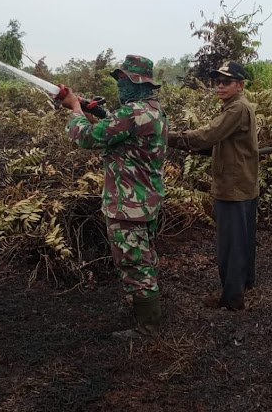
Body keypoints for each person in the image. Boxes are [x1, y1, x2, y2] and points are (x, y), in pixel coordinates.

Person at [59, 55, 167, 337]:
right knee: (142, 257)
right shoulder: (153, 110)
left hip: (127, 203)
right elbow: (122, 134)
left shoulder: (130, 113)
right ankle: (141, 310)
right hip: (146, 199)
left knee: (134, 262)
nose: (120, 87)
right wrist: (97, 112)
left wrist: (74, 109)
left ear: (138, 83)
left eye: (124, 81)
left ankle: (148, 328)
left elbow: (87, 138)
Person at [168, 61, 258, 310]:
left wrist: (167, 136)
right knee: (243, 240)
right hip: (243, 184)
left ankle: (232, 299)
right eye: (217, 82)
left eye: (226, 82)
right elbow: (218, 142)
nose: (220, 86)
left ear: (240, 85)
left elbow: (207, 135)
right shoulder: (236, 107)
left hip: (233, 187)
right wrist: (200, 147)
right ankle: (245, 284)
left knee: (231, 244)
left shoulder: (236, 108)